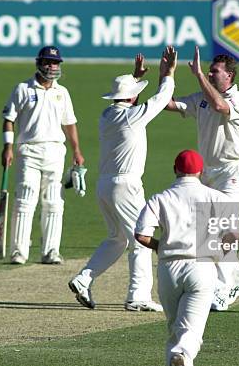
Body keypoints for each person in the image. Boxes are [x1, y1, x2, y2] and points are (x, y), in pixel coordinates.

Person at [68, 46, 177, 311]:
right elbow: (162, 98)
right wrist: (168, 73)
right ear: (131, 98)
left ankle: (84, 279)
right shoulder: (132, 117)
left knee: (117, 239)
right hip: (126, 185)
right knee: (141, 238)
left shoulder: (107, 115)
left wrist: (135, 79)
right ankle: (137, 297)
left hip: (105, 185)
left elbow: (129, 102)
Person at [165, 46, 239, 311]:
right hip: (207, 173)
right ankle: (236, 282)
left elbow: (218, 104)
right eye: (210, 71)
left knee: (221, 230)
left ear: (230, 76)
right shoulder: (200, 97)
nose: (212, 75)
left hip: (232, 171)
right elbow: (167, 104)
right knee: (206, 231)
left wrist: (199, 74)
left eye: (216, 71)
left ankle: (225, 288)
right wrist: (166, 74)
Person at [135, 149, 231, 366]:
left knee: (175, 328)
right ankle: (181, 354)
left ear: (175, 170)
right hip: (201, 266)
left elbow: (141, 235)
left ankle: (177, 357)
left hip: (169, 267)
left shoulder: (160, 198)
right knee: (191, 329)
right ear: (201, 171)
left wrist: (161, 247)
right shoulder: (215, 197)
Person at [1, 45, 85, 265]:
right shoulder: (22, 89)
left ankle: (50, 251)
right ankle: (18, 252)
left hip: (55, 151)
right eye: (47, 62)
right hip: (28, 149)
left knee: (54, 202)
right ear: (38, 63)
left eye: (55, 62)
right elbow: (9, 119)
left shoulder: (62, 92)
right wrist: (7, 147)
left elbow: (70, 124)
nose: (51, 66)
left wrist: (77, 150)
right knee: (26, 198)